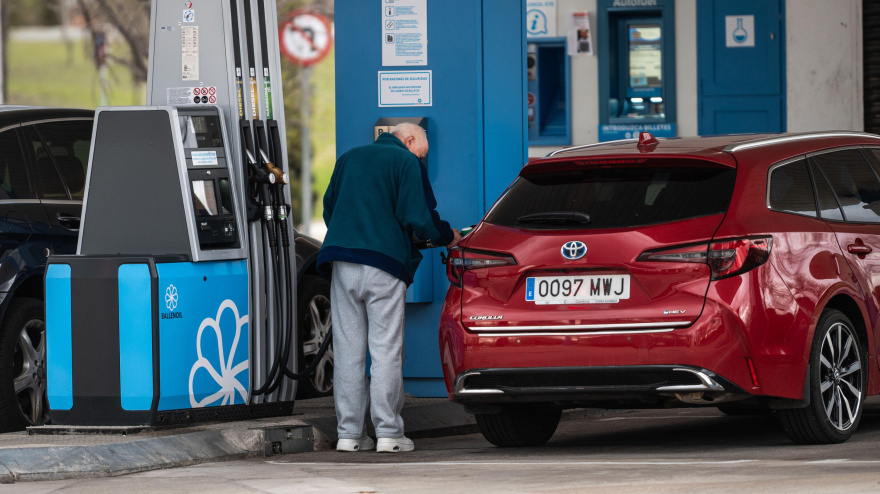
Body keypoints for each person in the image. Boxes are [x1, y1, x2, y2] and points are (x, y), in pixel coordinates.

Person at [318, 123, 461, 453]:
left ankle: (350, 435)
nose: (422, 161)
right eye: (422, 153)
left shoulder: (349, 158)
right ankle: (389, 434)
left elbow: (330, 208)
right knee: (385, 351)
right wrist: (446, 235)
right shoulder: (405, 162)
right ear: (409, 140)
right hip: (384, 264)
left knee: (349, 352)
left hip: (341, 262)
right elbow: (420, 218)